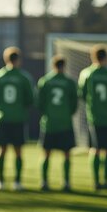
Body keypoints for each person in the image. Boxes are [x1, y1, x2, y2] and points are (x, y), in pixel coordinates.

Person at [0, 47, 34, 191]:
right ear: (18, 59)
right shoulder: (24, 77)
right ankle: (17, 182)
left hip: (2, 118)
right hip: (18, 118)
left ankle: (0, 181)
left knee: (1, 150)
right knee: (18, 151)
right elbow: (30, 99)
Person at [78, 45, 107, 191]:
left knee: (95, 149)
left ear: (93, 56)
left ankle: (96, 181)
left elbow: (82, 94)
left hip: (94, 117)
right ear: (106, 57)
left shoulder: (86, 73)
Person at [37, 55, 78, 192]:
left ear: (52, 65)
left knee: (46, 154)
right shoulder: (69, 82)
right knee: (66, 154)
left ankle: (44, 182)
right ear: (64, 65)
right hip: (65, 123)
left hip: (49, 123)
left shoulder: (45, 81)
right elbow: (74, 104)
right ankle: (66, 183)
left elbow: (39, 103)